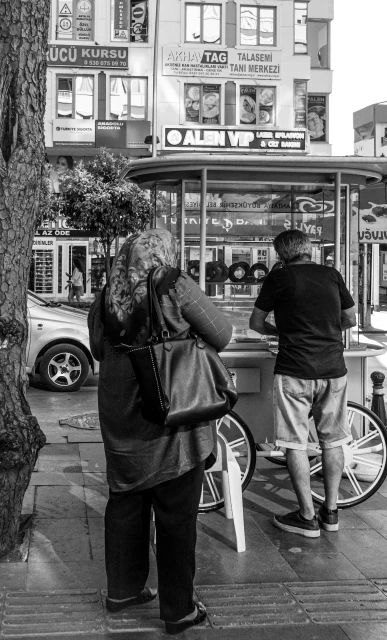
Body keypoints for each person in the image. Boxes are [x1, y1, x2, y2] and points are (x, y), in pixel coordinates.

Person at [87, 229, 233, 635]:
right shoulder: (174, 283)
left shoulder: (107, 293)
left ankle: (124, 591)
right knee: (175, 515)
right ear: (166, 253)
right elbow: (221, 333)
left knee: (124, 502)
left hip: (120, 412)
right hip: (171, 415)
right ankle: (178, 610)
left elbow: (99, 349)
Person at [249, 230, 357, 537]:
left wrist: (283, 332)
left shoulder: (278, 279)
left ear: (280, 254)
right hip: (333, 370)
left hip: (294, 370)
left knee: (294, 442)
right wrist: (324, 330)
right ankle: (331, 512)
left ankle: (307, 516)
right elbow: (350, 319)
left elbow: (255, 323)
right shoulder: (332, 275)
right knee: (333, 440)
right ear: (308, 250)